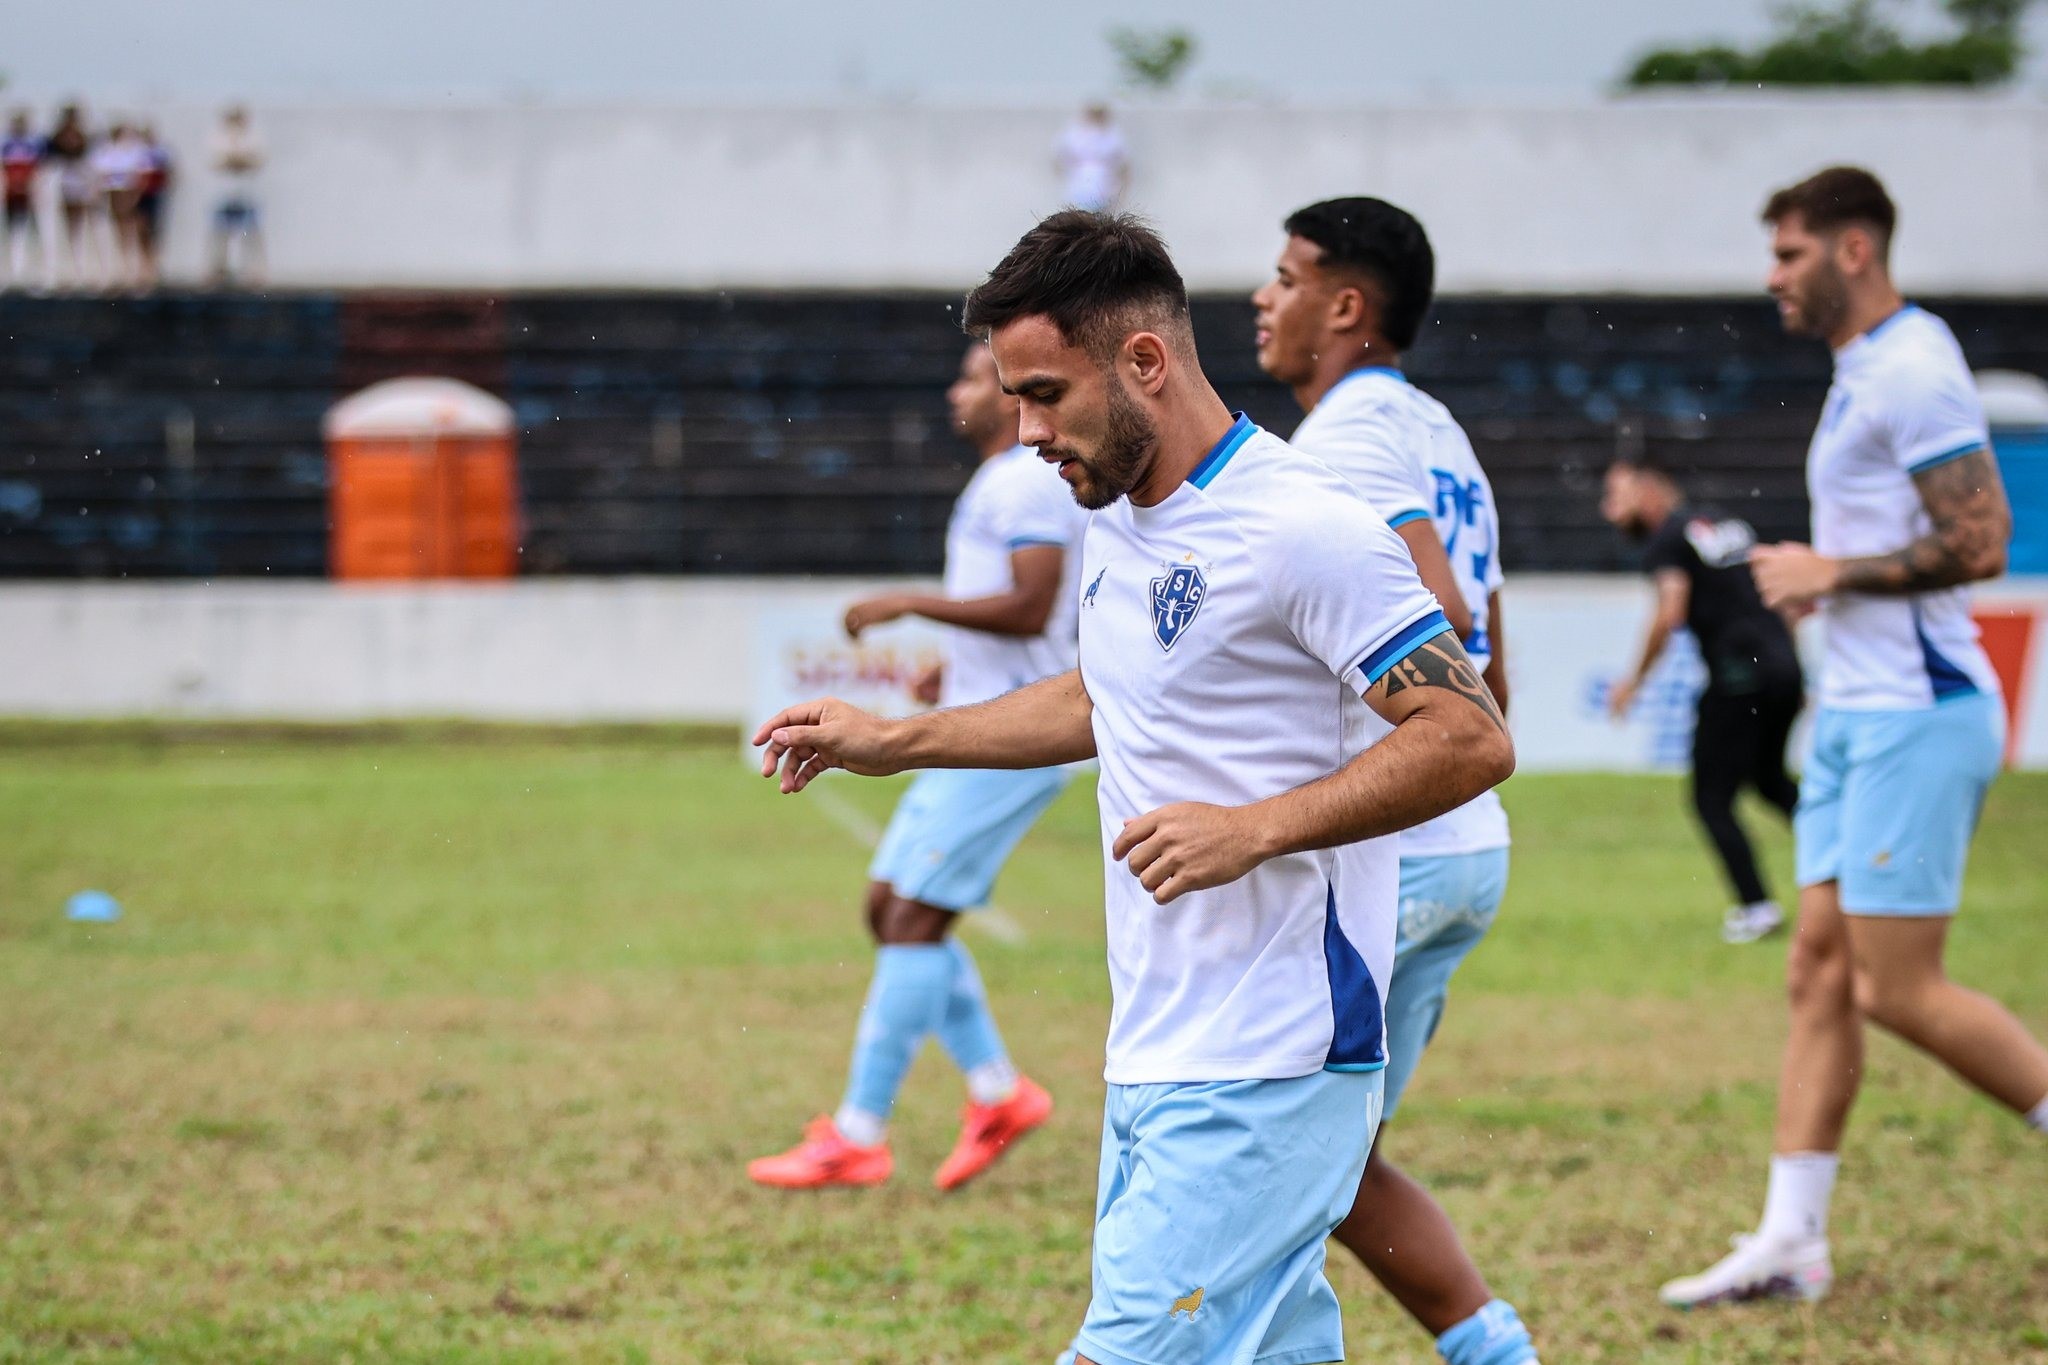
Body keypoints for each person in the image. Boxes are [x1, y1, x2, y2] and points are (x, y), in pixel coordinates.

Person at [755, 210, 1515, 1365]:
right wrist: (898, 738)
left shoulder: (1302, 524)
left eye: (1045, 394)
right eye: (1013, 398)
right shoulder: (1120, 508)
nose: (1025, 432)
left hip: (1271, 1053)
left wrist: (1254, 831)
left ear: (1144, 363)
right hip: (1163, 1040)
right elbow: (1107, 695)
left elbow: (1466, 733)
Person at [1660, 166, 2048, 1309]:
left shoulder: (1916, 368)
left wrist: (1831, 571)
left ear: (1852, 250)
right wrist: (1831, 582)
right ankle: (1790, 1242)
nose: (1770, 277)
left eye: (1786, 254)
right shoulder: (1861, 370)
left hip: (1915, 721)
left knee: (1895, 989)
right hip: (1854, 715)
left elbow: (1980, 542)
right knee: (1816, 974)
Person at [1253, 196, 1539, 1365]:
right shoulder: (1438, 430)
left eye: (1282, 277)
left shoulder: (1350, 435)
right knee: (1334, 1160)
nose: (1262, 302)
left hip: (1394, 864)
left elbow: (1446, 620)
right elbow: (1495, 679)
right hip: (1464, 848)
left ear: (1344, 304)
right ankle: (1495, 1352)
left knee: (1260, 1161)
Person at [747, 340, 1084, 1192]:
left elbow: (1032, 602)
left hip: (1007, 742)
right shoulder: (998, 478)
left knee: (908, 921)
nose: (956, 390)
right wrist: (952, 666)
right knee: (890, 908)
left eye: (974, 377)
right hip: (974, 721)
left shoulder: (1027, 480)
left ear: (1015, 395)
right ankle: (998, 1093)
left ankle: (861, 1131)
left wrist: (908, 601)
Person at [1601, 460, 1803, 943]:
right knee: (1771, 782)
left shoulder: (1667, 539)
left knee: (1711, 798)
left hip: (1738, 678)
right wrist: (1789, 666)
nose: (1609, 512)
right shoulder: (1723, 525)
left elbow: (1669, 613)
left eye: (1616, 496)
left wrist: (1633, 681)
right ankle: (1855, 865)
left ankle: (1756, 907)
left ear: (1650, 491)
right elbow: (1782, 599)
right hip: (1782, 670)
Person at [91, 122, 152, 290]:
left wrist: (134, 195)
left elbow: (139, 172)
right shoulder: (107, 150)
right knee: (117, 232)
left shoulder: (135, 149)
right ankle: (121, 269)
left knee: (135, 231)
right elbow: (101, 172)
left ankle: (137, 270)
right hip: (113, 193)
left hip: (129, 192)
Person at [210, 105, 265, 286]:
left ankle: (253, 271)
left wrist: (237, 158)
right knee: (220, 233)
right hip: (224, 192)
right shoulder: (219, 138)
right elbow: (217, 160)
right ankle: (219, 270)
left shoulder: (252, 137)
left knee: (251, 232)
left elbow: (256, 159)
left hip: (246, 192)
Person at [43, 103, 95, 289]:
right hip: (63, 179)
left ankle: (80, 268)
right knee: (57, 226)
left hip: (77, 180)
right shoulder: (56, 138)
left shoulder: (84, 138)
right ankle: (56, 269)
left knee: (80, 225)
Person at [1054, 104, 1128, 213]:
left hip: (1104, 193)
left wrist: (1120, 195)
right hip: (1079, 191)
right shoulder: (1073, 135)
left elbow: (1124, 168)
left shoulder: (1113, 137)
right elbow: (1059, 160)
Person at [1, 110, 43, 290]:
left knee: (32, 233)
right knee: (11, 233)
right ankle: (12, 273)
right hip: (10, 194)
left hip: (29, 194)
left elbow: (41, 171)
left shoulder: (34, 145)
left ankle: (31, 273)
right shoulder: (6, 144)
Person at [135, 124, 172, 288]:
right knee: (141, 229)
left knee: (154, 230)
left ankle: (153, 263)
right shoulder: (137, 153)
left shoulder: (160, 152)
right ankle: (143, 263)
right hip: (139, 195)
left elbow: (168, 173)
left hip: (154, 194)